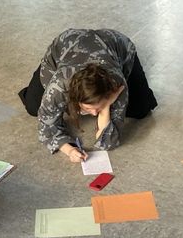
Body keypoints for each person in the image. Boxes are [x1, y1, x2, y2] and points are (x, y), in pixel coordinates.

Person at [19, 28, 157, 163]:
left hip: (115, 44)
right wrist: (69, 150)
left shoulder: (117, 84)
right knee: (33, 107)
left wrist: (106, 108)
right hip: (67, 44)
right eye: (89, 108)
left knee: (141, 109)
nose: (93, 113)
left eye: (99, 107)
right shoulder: (59, 85)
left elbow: (109, 143)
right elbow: (47, 127)